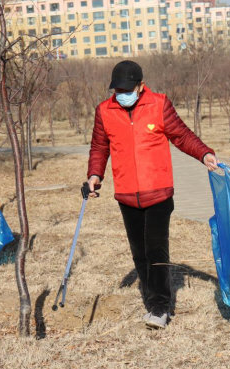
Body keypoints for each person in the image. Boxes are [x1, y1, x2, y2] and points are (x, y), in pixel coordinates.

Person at [87, 61, 219, 330]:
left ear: (140, 86)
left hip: (158, 192)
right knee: (139, 253)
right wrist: (95, 175)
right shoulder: (105, 110)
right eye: (117, 89)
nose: (121, 94)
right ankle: (151, 301)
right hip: (126, 194)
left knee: (156, 250)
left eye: (126, 89)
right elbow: (100, 146)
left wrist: (204, 153)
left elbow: (181, 135)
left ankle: (160, 307)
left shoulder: (159, 104)